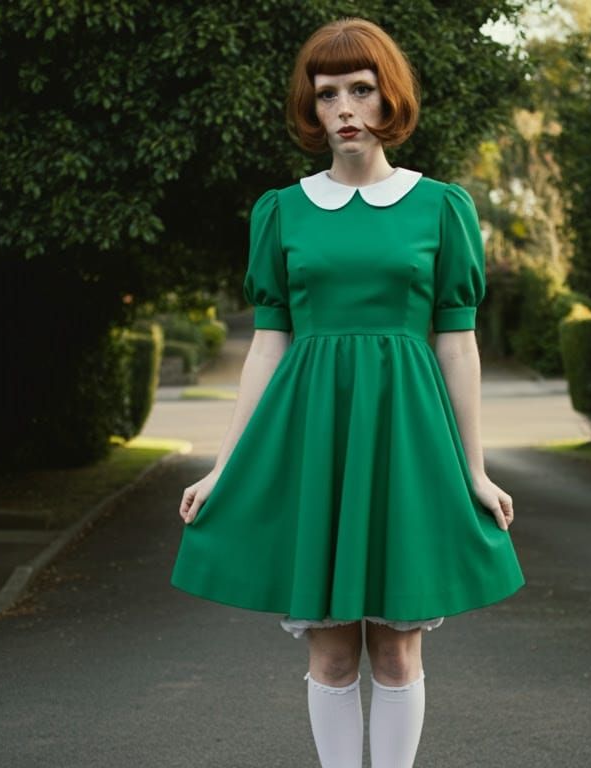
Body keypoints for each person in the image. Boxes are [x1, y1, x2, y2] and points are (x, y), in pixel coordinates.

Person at [170, 17, 524, 768]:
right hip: (314, 436)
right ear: (312, 106)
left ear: (388, 96)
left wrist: (475, 470)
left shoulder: (441, 209)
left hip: (406, 438)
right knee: (330, 654)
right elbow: (270, 343)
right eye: (327, 92)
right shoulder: (282, 212)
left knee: (397, 653)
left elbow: (456, 345)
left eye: (361, 88)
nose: (344, 107)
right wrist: (222, 466)